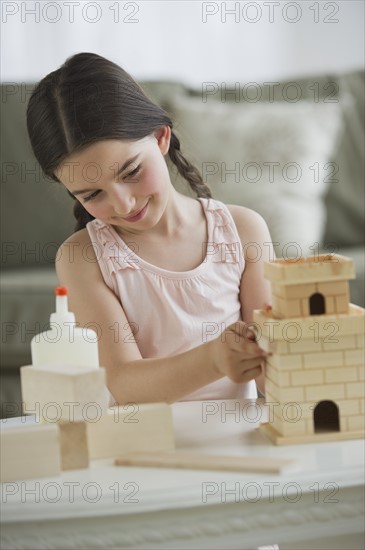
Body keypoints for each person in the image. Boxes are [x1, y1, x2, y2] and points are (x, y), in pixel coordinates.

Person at [26, 52, 274, 405]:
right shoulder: (83, 258)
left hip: (241, 438)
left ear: (160, 137)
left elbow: (273, 367)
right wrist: (214, 359)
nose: (123, 205)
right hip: (142, 445)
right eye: (93, 194)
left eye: (130, 173)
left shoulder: (243, 230)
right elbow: (123, 383)